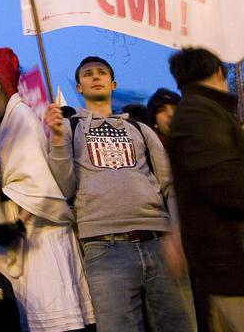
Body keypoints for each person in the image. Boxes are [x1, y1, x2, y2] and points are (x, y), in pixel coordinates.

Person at [45, 55, 196, 332]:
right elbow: (64, 186)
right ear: (79, 87)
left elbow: (170, 185)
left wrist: (177, 233)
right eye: (88, 73)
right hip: (104, 248)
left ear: (113, 83)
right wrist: (55, 140)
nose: (95, 76)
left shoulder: (140, 129)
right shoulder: (69, 128)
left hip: (159, 241)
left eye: (101, 72)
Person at [0, 48, 94, 332]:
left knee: (50, 319)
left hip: (37, 234)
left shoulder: (22, 119)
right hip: (17, 234)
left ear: (1, 84)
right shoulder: (0, 122)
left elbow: (38, 181)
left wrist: (15, 223)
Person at [168, 47, 244, 332]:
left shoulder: (200, 111)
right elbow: (227, 186)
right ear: (218, 72)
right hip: (232, 260)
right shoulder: (201, 113)